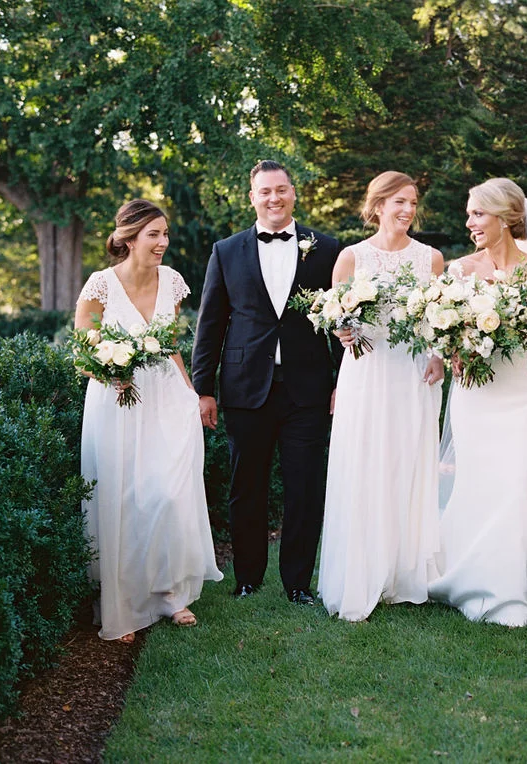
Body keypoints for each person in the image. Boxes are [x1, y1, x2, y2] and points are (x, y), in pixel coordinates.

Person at [191, 159, 340, 606]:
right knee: (247, 487)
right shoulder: (226, 251)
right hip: (244, 385)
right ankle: (248, 578)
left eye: (281, 190)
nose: (274, 198)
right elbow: (210, 323)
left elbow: (341, 320)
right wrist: (203, 389)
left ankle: (298, 583)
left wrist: (343, 381)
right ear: (252, 197)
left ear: (293, 193)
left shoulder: (327, 248)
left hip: (308, 387)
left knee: (304, 487)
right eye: (265, 191)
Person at [428, 178, 527, 627]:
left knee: (514, 484)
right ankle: (472, 574)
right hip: (475, 394)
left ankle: (509, 588)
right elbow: (444, 330)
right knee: (477, 483)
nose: (469, 222)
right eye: (469, 214)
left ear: (505, 218)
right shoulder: (459, 271)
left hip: (523, 394)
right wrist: (453, 350)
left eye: (477, 213)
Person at [76, 199, 222, 643]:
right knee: (124, 499)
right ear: (128, 238)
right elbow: (83, 356)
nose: (163, 242)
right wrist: (112, 373)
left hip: (164, 398)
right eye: (154, 234)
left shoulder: (171, 281)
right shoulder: (100, 286)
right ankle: (121, 605)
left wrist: (190, 392)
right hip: (117, 403)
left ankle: (170, 593)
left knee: (169, 494)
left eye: (165, 234)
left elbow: (170, 344)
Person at [318, 172, 446, 621]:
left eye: (412, 203)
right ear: (377, 206)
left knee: (406, 462)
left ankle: (404, 572)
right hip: (367, 372)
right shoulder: (352, 257)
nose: (408, 210)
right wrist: (341, 330)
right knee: (366, 462)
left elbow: (440, 317)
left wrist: (437, 356)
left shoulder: (431, 259)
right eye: (399, 202)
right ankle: (363, 570)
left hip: (412, 372)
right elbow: (336, 319)